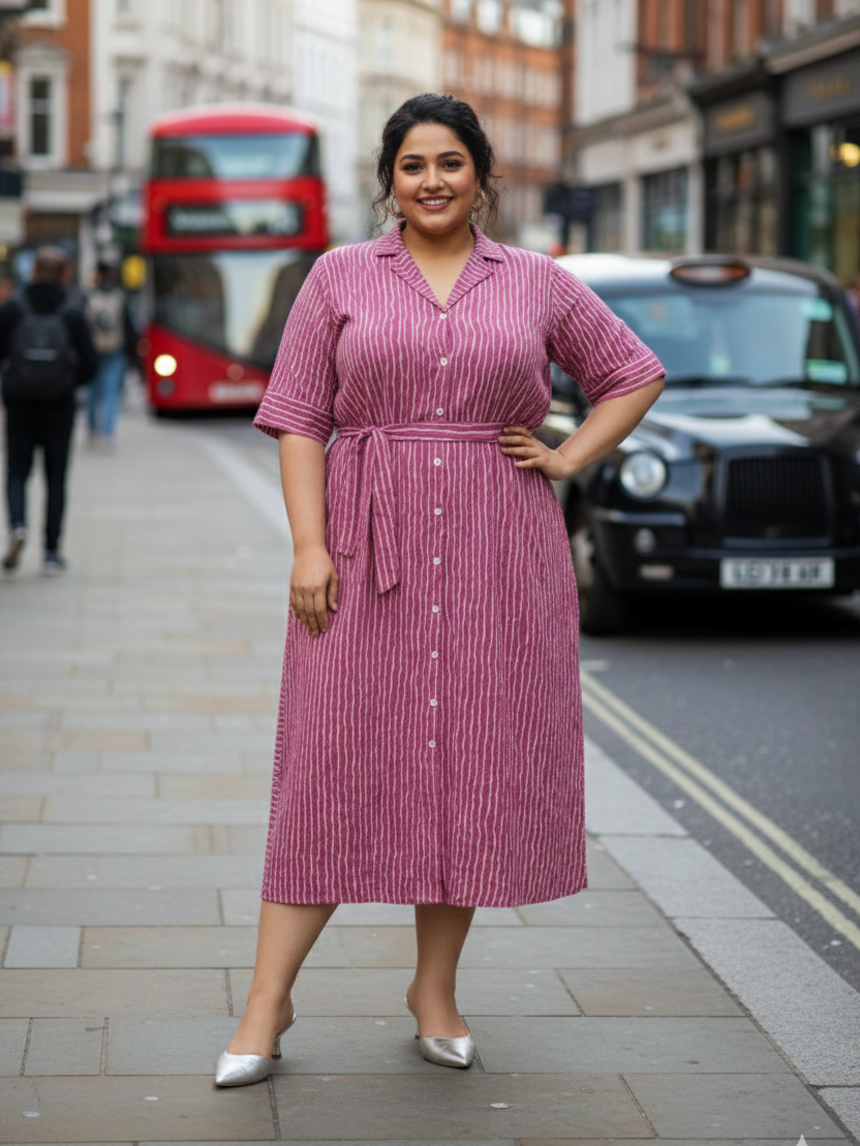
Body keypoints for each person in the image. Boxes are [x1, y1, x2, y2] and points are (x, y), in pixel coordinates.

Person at [215, 93, 665, 1088]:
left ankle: (434, 991)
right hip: (362, 543)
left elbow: (631, 373)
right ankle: (266, 1001)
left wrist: (566, 456)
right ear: (389, 179)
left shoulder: (537, 282)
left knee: (460, 759)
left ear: (480, 175)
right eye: (413, 164)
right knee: (327, 773)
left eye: (450, 163)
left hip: (497, 553)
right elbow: (296, 417)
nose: (431, 181)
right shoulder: (337, 276)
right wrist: (306, 547)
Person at [1, 246, 97, 575]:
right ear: (65, 275)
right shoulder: (71, 313)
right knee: (56, 478)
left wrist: (10, 386)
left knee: (16, 472)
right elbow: (90, 363)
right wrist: (68, 384)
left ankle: (17, 525)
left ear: (33, 273)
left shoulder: (13, 309)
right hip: (59, 407)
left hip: (20, 404)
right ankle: (51, 553)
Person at [85, 260, 138, 449]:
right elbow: (130, 328)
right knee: (110, 394)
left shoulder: (89, 297)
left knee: (92, 394)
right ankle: (107, 434)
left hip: (93, 352)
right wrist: (133, 354)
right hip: (115, 352)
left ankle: (92, 432)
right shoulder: (120, 298)